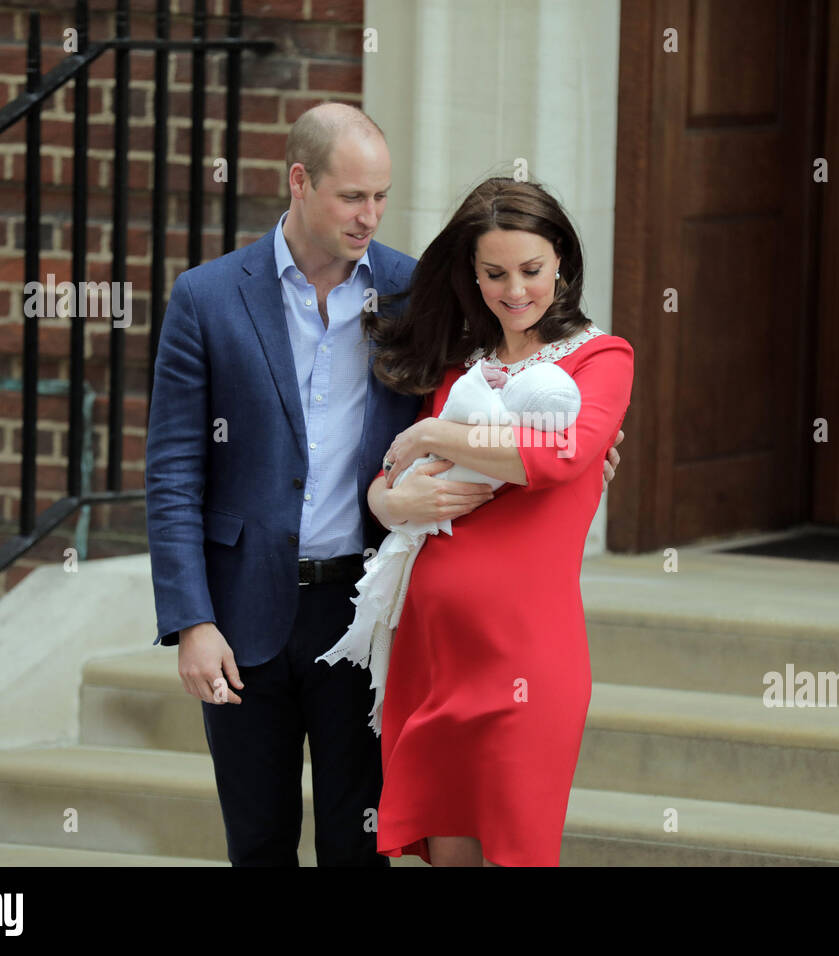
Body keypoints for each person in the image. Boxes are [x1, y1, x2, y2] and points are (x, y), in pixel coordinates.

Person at [144, 103, 623, 866]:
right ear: (299, 183)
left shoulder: (415, 291)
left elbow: (504, 392)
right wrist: (191, 620)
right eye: (352, 197)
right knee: (258, 842)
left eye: (381, 198)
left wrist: (589, 450)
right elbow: (172, 474)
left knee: (358, 847)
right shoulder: (207, 298)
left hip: (368, 615)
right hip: (243, 616)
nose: (370, 216)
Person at [363, 177, 635, 866]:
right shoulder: (462, 371)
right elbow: (392, 479)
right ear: (472, 276)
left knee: (518, 852)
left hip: (525, 657)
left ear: (563, 266)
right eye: (494, 273)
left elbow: (558, 457)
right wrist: (386, 500)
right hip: (435, 651)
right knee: (448, 856)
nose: (515, 289)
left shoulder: (603, 358)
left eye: (531, 270)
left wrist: (433, 440)